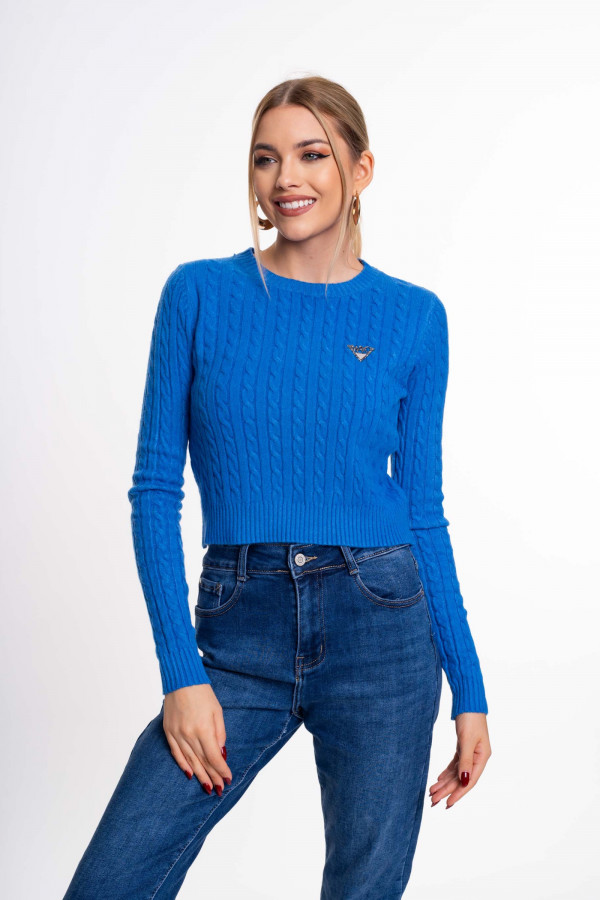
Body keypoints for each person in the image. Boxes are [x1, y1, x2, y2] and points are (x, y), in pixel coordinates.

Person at [62, 75, 491, 899]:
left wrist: (469, 690)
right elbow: (154, 491)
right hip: (239, 628)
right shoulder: (198, 294)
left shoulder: (414, 316)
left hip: (384, 627)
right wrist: (182, 675)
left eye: (311, 155)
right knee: (112, 880)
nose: (286, 178)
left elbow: (424, 514)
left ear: (360, 170)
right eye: (266, 159)